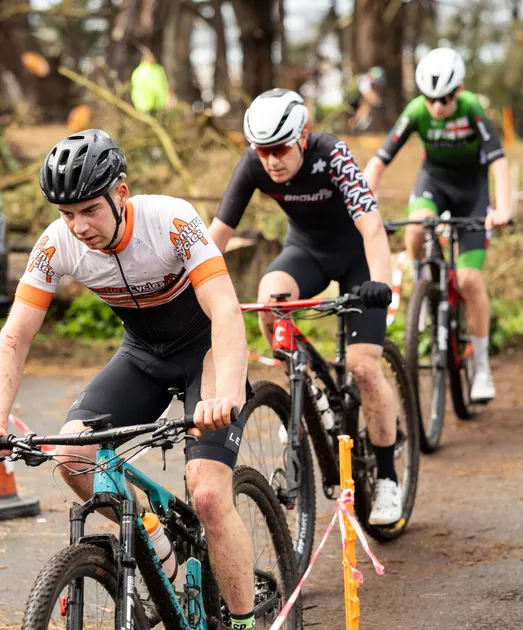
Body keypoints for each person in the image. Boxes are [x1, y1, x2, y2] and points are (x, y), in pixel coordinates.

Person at [0, 130, 262, 629]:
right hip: (142, 356)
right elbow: (15, 335)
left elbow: (225, 310)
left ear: (120, 194)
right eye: (66, 214)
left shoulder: (172, 220)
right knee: (73, 459)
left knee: (208, 495)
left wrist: (227, 393)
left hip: (204, 352)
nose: (77, 226)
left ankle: (244, 622)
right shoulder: (55, 245)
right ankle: (156, 536)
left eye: (89, 210)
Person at [207, 88, 403, 526]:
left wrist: (379, 283)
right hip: (307, 252)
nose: (271, 161)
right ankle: (308, 390)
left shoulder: (332, 154)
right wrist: (185, 289)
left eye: (279, 149)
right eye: (262, 151)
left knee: (364, 367)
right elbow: (215, 236)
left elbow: (372, 228)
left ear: (302, 137)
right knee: (268, 299)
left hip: (358, 258)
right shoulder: (254, 165)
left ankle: (389, 477)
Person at [362, 47, 511, 403]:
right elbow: (379, 162)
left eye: (444, 99)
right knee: (416, 228)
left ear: (458, 91)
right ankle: (424, 282)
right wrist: (363, 204)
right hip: (434, 184)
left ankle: (483, 368)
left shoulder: (472, 107)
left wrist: (502, 208)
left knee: (470, 280)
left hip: (472, 191)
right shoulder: (416, 111)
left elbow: (500, 164)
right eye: (430, 99)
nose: (437, 108)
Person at [348, 66, 386, 131]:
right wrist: (379, 103)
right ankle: (358, 124)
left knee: (367, 104)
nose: (376, 82)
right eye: (376, 79)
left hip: (355, 99)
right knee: (366, 104)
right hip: (351, 100)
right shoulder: (364, 80)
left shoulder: (367, 81)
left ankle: (361, 124)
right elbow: (367, 94)